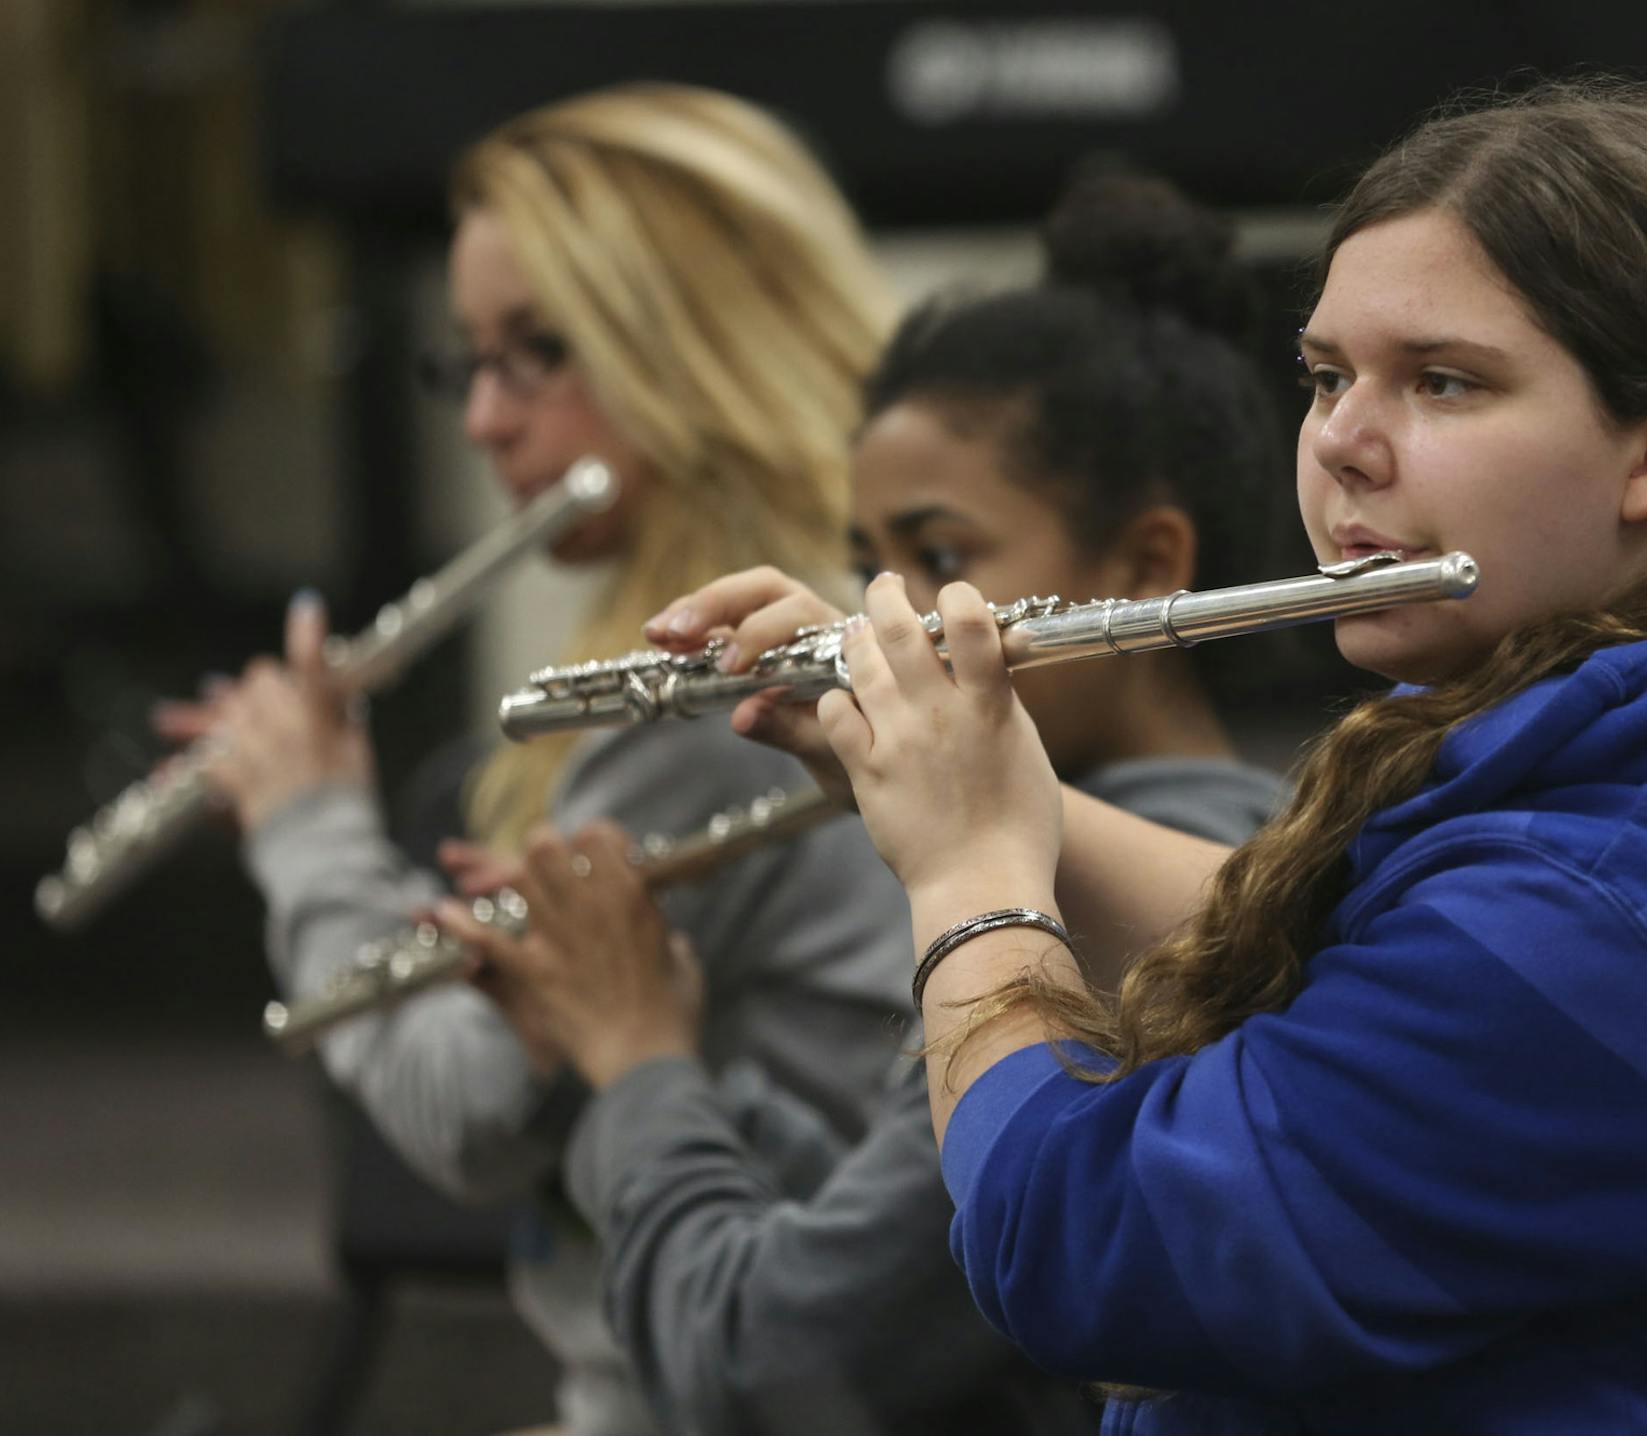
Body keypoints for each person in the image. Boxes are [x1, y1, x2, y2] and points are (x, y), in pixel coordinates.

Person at [660, 80, 1647, 1433]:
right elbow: (1336, 944)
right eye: (1326, 377)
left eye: (1444, 383)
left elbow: (1075, 1249)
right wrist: (948, 764)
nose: (1343, 447)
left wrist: (973, 872)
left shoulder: (1598, 909)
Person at [437, 169, 1299, 1435]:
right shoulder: (1015, 847)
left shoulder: (1065, 901)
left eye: (940, 557)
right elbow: (862, 1249)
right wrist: (642, 1048)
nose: (879, 612)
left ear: (1144, 569)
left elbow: (766, 1366)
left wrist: (636, 1059)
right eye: (868, 555)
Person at [160, 84, 914, 1435]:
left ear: (687, 342)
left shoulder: (714, 679)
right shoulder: (782, 596)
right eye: (471, 361)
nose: (486, 420)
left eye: (537, 354)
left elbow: (465, 1115)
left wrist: (308, 822)